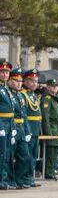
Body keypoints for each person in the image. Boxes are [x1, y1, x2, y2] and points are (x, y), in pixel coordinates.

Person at [16, 69, 41, 189]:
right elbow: (23, 114)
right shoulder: (23, 95)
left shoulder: (33, 95)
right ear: (25, 81)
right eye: (31, 80)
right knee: (26, 155)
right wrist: (27, 130)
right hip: (28, 129)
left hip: (35, 129)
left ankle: (30, 178)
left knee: (33, 156)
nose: (34, 83)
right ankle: (24, 178)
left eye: (36, 81)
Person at [39, 77, 58, 181]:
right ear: (48, 87)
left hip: (56, 127)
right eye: (53, 86)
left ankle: (51, 171)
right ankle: (48, 172)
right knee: (50, 152)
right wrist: (48, 132)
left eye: (56, 86)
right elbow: (46, 116)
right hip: (51, 127)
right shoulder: (47, 99)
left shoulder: (55, 98)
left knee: (55, 152)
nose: (55, 88)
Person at [0, 60, 14, 190]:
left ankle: (5, 180)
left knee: (6, 154)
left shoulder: (5, 88)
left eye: (7, 72)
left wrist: (13, 127)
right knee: (1, 154)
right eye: (2, 72)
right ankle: (2, 181)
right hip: (2, 124)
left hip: (8, 124)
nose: (5, 75)